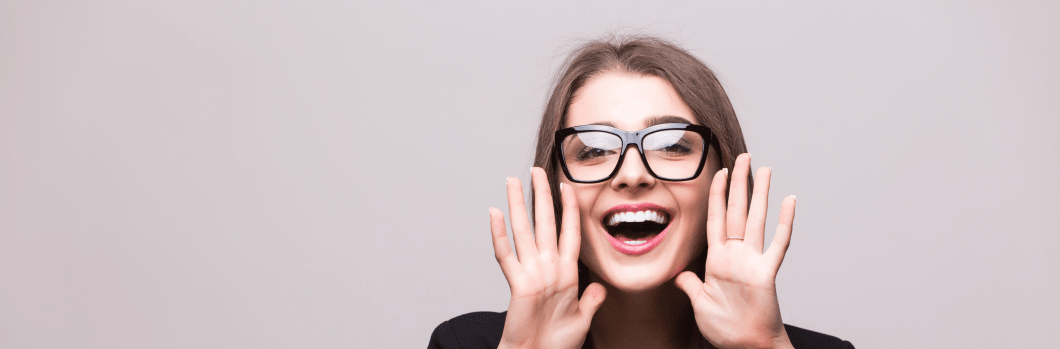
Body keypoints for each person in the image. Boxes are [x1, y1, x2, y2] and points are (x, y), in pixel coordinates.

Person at [429, 35, 854, 349]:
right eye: (594, 149)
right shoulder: (466, 344)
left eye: (672, 145)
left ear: (718, 183)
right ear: (558, 190)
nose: (632, 174)